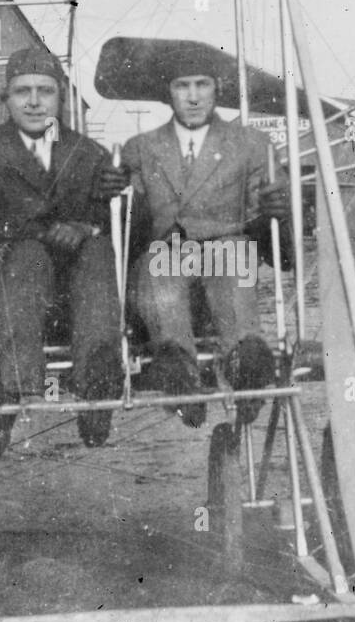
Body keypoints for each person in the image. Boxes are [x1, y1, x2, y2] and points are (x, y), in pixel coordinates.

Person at [0, 46, 123, 459]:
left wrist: (86, 227)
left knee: (99, 252)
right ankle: (9, 391)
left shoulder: (89, 153)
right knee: (28, 255)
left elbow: (112, 221)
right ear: (5, 98)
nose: (32, 101)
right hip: (11, 277)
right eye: (21, 91)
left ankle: (96, 383)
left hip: (79, 281)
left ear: (60, 98)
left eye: (44, 91)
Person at [102, 71, 290, 427]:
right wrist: (119, 191)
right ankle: (178, 369)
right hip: (167, 248)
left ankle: (245, 361)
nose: (192, 97)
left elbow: (263, 208)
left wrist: (273, 207)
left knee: (234, 281)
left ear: (217, 89)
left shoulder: (250, 144)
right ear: (168, 93)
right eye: (181, 85)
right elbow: (133, 217)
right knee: (162, 286)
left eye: (202, 85)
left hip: (226, 243)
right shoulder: (142, 147)